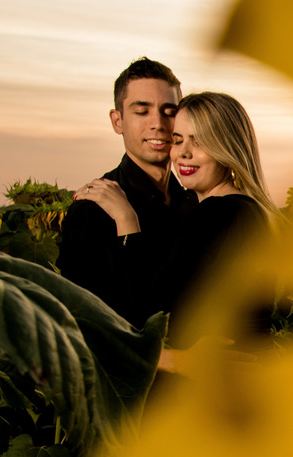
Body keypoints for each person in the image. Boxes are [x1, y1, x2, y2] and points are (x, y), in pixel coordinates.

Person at [82, 91, 279, 369]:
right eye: (178, 140)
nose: (183, 153)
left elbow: (148, 314)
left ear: (227, 148)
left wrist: (127, 220)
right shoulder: (246, 210)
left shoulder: (219, 213)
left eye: (200, 142)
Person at [58, 57, 196, 325]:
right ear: (117, 121)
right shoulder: (92, 209)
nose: (158, 123)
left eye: (169, 111)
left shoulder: (193, 203)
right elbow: (85, 323)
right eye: (142, 111)